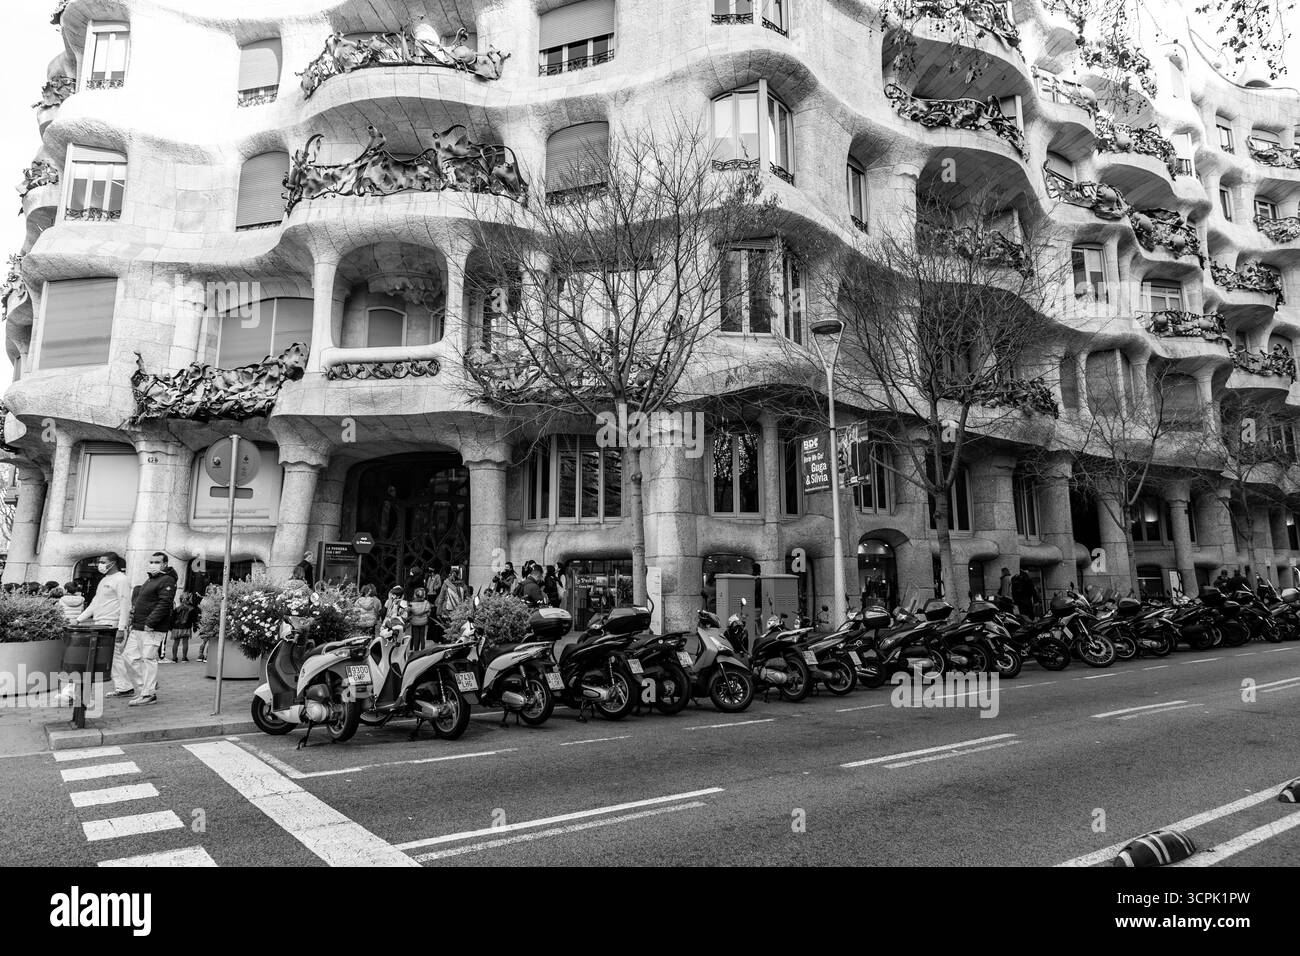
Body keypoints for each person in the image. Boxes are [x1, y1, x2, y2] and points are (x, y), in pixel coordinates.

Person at [122, 552, 177, 705]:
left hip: (152, 628)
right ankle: (147, 685)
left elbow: (164, 603)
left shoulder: (167, 580)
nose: (152, 564)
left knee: (148, 658)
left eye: (156, 562)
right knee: (129, 656)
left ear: (164, 564)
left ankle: (148, 694)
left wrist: (151, 622)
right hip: (138, 626)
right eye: (151, 561)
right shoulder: (151, 579)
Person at [76, 553, 133, 697]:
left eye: (103, 561)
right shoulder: (104, 580)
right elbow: (95, 603)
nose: (100, 564)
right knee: (114, 658)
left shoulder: (121, 580)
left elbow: (125, 604)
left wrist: (121, 628)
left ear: (113, 563)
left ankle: (73, 692)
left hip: (112, 625)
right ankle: (125, 686)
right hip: (100, 624)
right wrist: (78, 619)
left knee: (107, 656)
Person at [167, 592, 199, 663]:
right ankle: (184, 658)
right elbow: (194, 619)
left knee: (176, 642)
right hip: (186, 628)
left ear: (180, 600)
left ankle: (174, 658)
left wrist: (170, 627)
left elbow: (172, 618)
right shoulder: (192, 609)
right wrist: (195, 627)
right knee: (185, 642)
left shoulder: (177, 609)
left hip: (176, 628)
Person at [408, 587, 432, 652]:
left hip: (414, 621)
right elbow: (428, 612)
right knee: (422, 636)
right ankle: (423, 649)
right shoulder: (426, 602)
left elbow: (409, 612)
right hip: (423, 622)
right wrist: (425, 616)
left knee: (415, 636)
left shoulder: (411, 603)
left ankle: (416, 650)